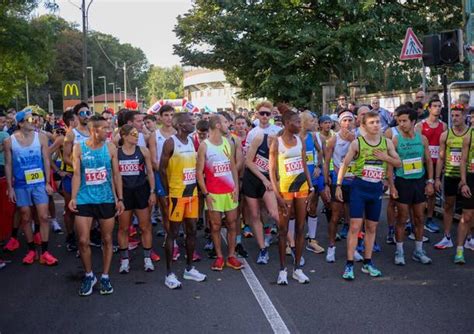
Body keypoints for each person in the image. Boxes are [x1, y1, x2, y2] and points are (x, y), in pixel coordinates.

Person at [336, 111, 401, 280]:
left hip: (375, 190)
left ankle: (367, 262)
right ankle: (349, 265)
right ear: (363, 126)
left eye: (378, 122)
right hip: (359, 188)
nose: (376, 125)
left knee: (372, 228)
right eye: (371, 122)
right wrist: (338, 185)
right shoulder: (358, 143)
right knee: (355, 227)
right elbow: (344, 164)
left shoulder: (386, 143)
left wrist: (385, 157)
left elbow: (398, 162)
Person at [68, 115, 124, 296]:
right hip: (85, 198)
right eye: (105, 128)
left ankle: (105, 277)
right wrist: (73, 197)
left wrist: (120, 198)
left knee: (107, 239)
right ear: (94, 130)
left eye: (109, 128)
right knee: (83, 240)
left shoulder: (110, 147)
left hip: (106, 198)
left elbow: (116, 175)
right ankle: (89, 275)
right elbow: (77, 174)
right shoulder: (79, 147)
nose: (109, 131)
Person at [4, 110, 57, 265]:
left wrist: (48, 182)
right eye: (29, 119)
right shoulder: (10, 141)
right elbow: (8, 164)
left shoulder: (41, 137)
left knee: (43, 216)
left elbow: (46, 160)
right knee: (26, 217)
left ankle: (45, 252)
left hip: (39, 183)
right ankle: (31, 250)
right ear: (20, 123)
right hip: (21, 185)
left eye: (33, 118)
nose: (33, 121)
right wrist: (10, 187)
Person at [160, 112, 207, 289]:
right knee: (172, 233)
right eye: (189, 121)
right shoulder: (170, 142)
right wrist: (166, 192)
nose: (192, 123)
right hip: (176, 195)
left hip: (192, 194)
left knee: (192, 230)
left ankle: (189, 268)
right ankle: (169, 274)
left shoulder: (192, 141)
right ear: (180, 125)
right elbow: (162, 169)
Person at [269, 110, 314, 285]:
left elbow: (304, 165)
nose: (299, 125)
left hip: (301, 188)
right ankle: (282, 270)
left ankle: (298, 269)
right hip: (285, 190)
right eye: (296, 122)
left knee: (301, 228)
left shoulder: (300, 141)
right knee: (283, 230)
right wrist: (277, 194)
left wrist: (311, 187)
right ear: (287, 123)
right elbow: (272, 171)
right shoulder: (277, 143)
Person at [196, 114, 243, 271]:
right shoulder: (204, 145)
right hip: (214, 193)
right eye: (224, 122)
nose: (227, 124)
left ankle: (231, 256)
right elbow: (199, 173)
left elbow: (232, 167)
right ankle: (219, 257)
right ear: (217, 125)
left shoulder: (228, 142)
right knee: (215, 226)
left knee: (232, 224)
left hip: (229, 191)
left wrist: (236, 187)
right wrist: (206, 194)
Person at [388, 107, 434, 265]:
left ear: (413, 121)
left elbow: (428, 161)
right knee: (402, 218)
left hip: (419, 181)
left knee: (420, 218)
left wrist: (430, 181)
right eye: (399, 121)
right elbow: (389, 165)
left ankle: (419, 251)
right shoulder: (396, 139)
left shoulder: (422, 139)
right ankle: (399, 252)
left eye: (404, 121)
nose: (401, 124)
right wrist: (391, 186)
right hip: (402, 182)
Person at [117, 125, 156, 273]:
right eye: (133, 134)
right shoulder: (117, 152)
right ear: (124, 136)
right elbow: (114, 175)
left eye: (137, 134)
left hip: (141, 191)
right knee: (123, 228)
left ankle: (147, 259)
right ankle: (125, 260)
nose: (136, 136)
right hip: (125, 192)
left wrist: (152, 192)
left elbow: (150, 173)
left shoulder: (143, 151)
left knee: (145, 226)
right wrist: (118, 197)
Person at [324, 111, 359, 262]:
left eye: (350, 120)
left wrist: (354, 141)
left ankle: (354, 248)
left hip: (354, 181)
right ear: (339, 123)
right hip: (338, 182)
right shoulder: (333, 139)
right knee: (335, 216)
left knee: (353, 217)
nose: (347, 123)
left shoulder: (358, 139)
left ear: (354, 122)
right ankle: (331, 247)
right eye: (344, 120)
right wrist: (326, 183)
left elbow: (361, 157)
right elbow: (326, 162)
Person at [434, 105, 469, 249]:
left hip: (467, 177)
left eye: (457, 116)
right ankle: (447, 236)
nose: (454, 118)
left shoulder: (471, 133)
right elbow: (441, 158)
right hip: (450, 175)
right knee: (448, 205)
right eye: (452, 115)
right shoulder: (445, 135)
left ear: (464, 116)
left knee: (468, 209)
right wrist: (436, 178)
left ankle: (469, 238)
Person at [415, 98, 446, 233]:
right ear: (429, 108)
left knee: (433, 191)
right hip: (422, 163)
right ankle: (417, 219)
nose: (437, 108)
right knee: (419, 192)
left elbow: (443, 147)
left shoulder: (443, 126)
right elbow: (416, 145)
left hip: (437, 163)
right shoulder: (420, 125)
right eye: (435, 106)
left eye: (439, 106)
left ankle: (429, 218)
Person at [299, 111, 324, 254]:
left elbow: (320, 152)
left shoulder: (312, 136)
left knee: (313, 207)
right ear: (303, 122)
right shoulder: (294, 137)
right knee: (296, 211)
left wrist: (317, 166)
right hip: (298, 178)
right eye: (311, 121)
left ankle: (312, 239)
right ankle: (292, 241)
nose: (314, 124)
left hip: (312, 177)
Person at [454, 119, 474, 263]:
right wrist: (464, 182)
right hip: (472, 179)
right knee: (466, 216)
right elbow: (463, 160)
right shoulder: (469, 136)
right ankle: (459, 251)